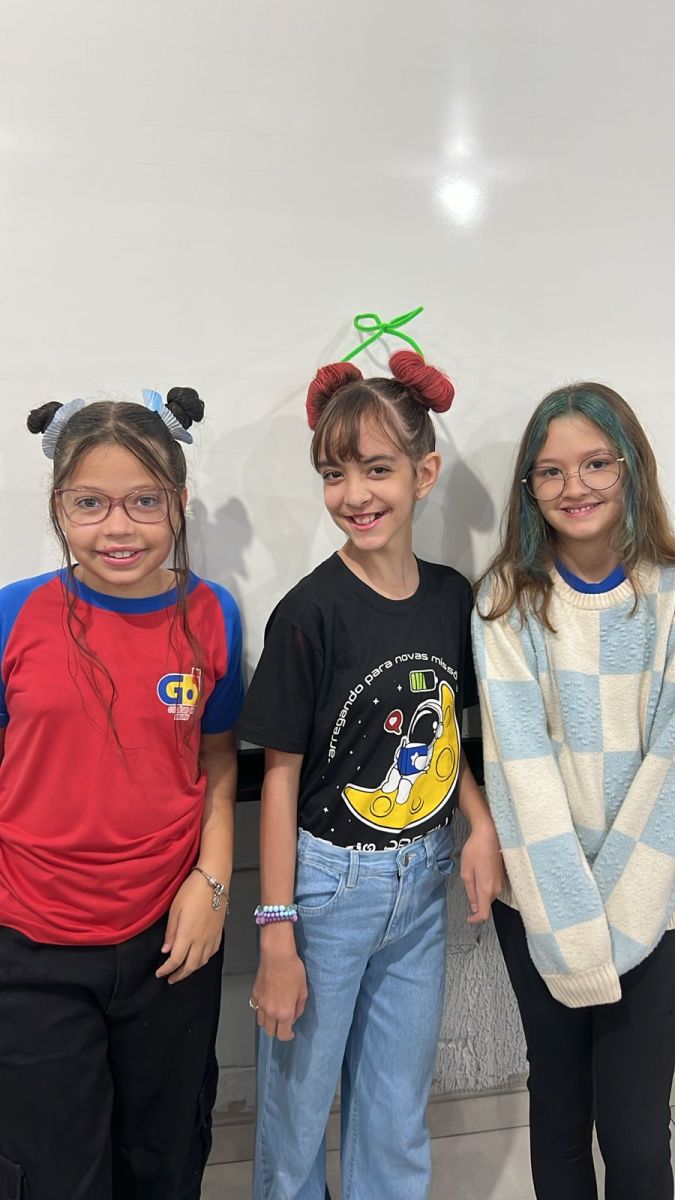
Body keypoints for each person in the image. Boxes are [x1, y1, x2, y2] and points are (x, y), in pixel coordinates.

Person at [238, 350, 504, 1200]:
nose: (354, 494)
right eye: (333, 473)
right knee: (294, 1116)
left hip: (420, 884)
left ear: (424, 474)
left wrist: (478, 822)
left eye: (377, 469)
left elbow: (444, 733)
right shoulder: (309, 613)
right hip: (325, 892)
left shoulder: (450, 598)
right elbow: (278, 781)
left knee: (394, 1114)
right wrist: (275, 931)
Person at [0, 388, 244, 1200]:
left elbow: (216, 763)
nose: (119, 527)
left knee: (163, 1163)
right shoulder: (13, 615)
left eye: (144, 501)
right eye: (90, 503)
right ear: (58, 508)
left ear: (178, 501)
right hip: (30, 946)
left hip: (169, 940)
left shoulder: (213, 615)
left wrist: (213, 886)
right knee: (54, 1174)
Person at [472, 381, 675, 1200]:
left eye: (595, 463)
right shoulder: (505, 600)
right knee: (557, 1111)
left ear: (630, 467)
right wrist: (569, 918)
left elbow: (668, 771)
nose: (574, 487)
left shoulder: (668, 595)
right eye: (550, 471)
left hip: (655, 903)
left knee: (635, 1133)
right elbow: (519, 771)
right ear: (528, 487)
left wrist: (618, 920)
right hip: (540, 899)